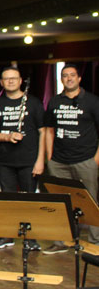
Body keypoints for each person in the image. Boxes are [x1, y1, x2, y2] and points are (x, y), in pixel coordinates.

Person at [0, 66, 45, 251]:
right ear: (1, 83)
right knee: (7, 200)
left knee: (29, 200)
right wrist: (7, 137)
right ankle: (7, 236)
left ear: (20, 81)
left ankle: (31, 238)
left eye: (14, 78)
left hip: (29, 161)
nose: (10, 81)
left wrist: (40, 160)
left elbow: (44, 133)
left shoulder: (34, 103)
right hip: (5, 162)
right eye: (6, 79)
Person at [43, 63, 99, 253]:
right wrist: (50, 158)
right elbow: (49, 130)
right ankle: (62, 242)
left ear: (79, 78)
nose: (69, 78)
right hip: (59, 162)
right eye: (65, 75)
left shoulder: (92, 101)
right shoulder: (54, 102)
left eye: (72, 75)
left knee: (90, 202)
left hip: (85, 160)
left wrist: (96, 159)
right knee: (61, 203)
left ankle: (95, 242)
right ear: (61, 79)